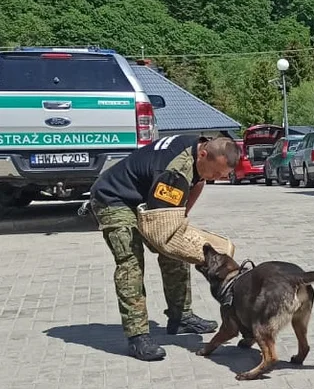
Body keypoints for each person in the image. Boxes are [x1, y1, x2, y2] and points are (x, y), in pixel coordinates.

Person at [88, 135, 238, 360]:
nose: (217, 178)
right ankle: (137, 337)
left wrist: (183, 223)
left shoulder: (199, 154)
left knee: (177, 251)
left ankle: (181, 317)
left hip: (146, 199)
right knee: (131, 264)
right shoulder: (175, 170)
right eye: (216, 173)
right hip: (114, 198)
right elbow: (160, 224)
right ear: (203, 154)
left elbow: (198, 183)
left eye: (222, 175)